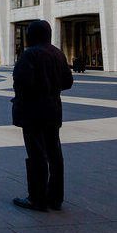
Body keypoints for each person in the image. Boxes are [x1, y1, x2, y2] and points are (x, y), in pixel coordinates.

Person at [11, 20, 73, 212]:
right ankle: (55, 197)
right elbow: (67, 82)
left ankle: (37, 198)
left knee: (37, 154)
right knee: (55, 153)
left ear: (32, 35)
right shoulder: (57, 53)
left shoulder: (30, 54)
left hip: (33, 111)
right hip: (53, 109)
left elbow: (21, 82)